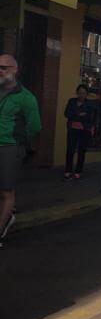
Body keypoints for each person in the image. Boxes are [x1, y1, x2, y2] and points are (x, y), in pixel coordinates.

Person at [0, 54, 41, 244]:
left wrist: (19, 144)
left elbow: (34, 127)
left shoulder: (26, 98)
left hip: (9, 147)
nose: (0, 70)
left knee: (7, 191)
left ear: (14, 70)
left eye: (4, 67)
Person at [64, 84, 96, 179]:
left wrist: (76, 115)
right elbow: (66, 113)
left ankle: (78, 171)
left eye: (84, 93)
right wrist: (79, 114)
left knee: (81, 151)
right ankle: (68, 170)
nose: (81, 95)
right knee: (70, 150)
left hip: (84, 130)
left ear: (87, 94)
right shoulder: (72, 101)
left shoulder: (89, 104)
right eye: (80, 93)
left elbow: (89, 117)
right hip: (72, 129)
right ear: (77, 93)